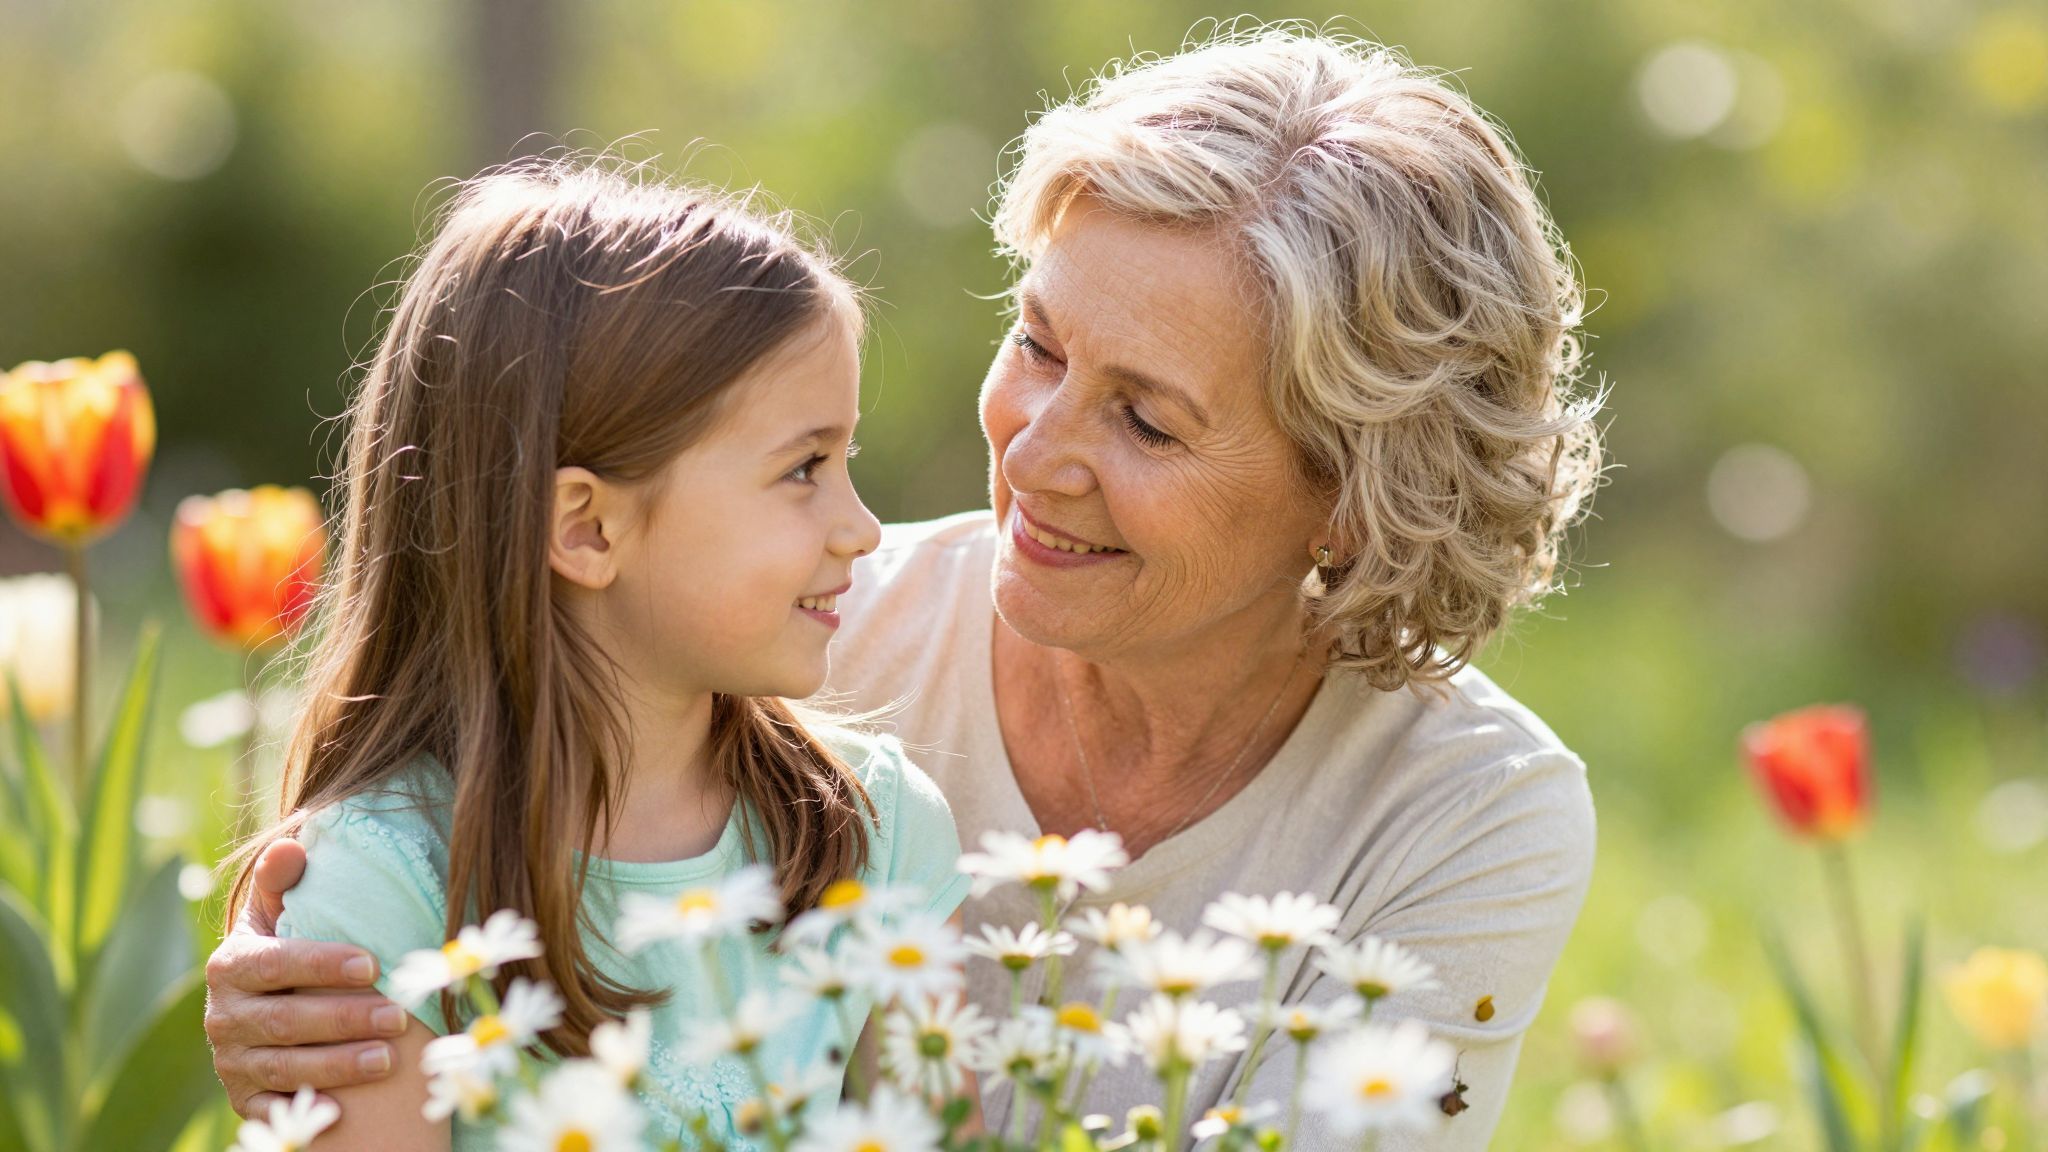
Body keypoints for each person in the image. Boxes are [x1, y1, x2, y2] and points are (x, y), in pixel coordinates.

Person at [206, 25, 1606, 1150]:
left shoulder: (1470, 818)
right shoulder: (783, 641)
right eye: (1044, 346)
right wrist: (311, 1005)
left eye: (1149, 421)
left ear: (1354, 509)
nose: (1034, 451)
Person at [216, 157, 972, 1150]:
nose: (861, 528)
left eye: (847, 461)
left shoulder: (877, 834)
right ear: (586, 529)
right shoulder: (378, 886)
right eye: (804, 468)